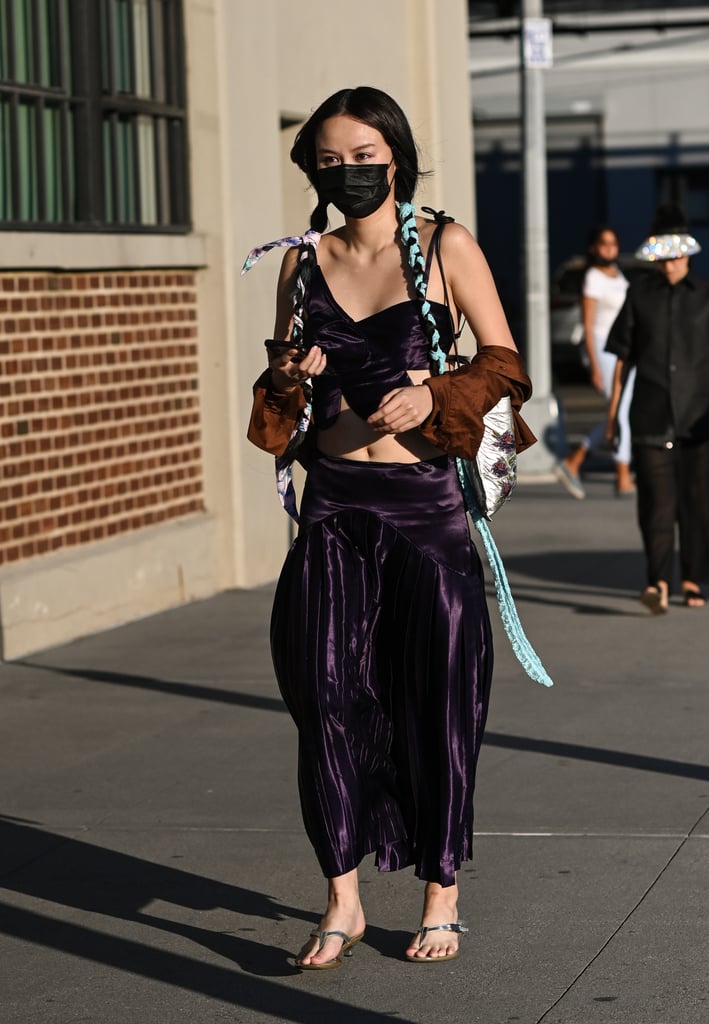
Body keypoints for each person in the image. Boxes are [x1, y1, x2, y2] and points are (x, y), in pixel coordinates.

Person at [244, 86, 536, 969]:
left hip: (425, 514)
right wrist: (296, 374)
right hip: (335, 506)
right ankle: (343, 900)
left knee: (436, 701)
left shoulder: (445, 246)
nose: (348, 172)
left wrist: (434, 394)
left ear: (397, 156)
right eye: (330, 160)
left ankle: (439, 894)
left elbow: (505, 364)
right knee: (324, 698)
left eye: (363, 155)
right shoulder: (303, 263)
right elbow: (275, 402)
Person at [606, 204, 709, 613]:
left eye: (677, 255)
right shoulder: (639, 295)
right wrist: (612, 415)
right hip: (649, 415)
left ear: (688, 253)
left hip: (700, 419)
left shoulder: (705, 297)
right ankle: (658, 582)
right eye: (663, 256)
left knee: (698, 504)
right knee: (656, 503)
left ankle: (692, 577)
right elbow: (622, 359)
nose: (670, 264)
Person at [555, 225, 635, 499]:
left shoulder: (617, 274)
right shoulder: (592, 277)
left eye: (613, 243)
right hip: (602, 347)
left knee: (622, 411)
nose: (610, 248)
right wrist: (594, 365)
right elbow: (587, 327)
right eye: (604, 243)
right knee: (622, 412)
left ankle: (575, 459)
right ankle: (623, 475)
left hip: (622, 349)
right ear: (593, 247)